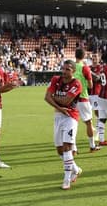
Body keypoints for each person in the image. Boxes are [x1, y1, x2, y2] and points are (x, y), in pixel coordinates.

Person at [44, 60, 82, 190]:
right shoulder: (56, 79)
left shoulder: (76, 84)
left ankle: (67, 180)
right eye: (63, 69)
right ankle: (75, 169)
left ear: (73, 71)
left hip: (71, 117)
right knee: (59, 150)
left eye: (68, 70)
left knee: (67, 147)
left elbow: (66, 101)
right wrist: (59, 108)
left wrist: (53, 97)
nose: (64, 72)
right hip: (59, 116)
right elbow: (46, 98)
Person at [74, 48, 100, 152]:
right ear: (84, 56)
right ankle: (92, 146)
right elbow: (90, 85)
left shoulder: (70, 67)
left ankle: (73, 148)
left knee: (72, 123)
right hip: (82, 98)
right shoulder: (85, 68)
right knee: (89, 123)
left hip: (71, 99)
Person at [89, 53, 102, 140]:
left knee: (98, 113)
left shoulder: (100, 67)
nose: (94, 58)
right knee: (87, 113)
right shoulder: (89, 67)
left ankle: (97, 132)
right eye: (93, 57)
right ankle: (92, 128)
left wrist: (90, 73)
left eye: (96, 57)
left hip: (97, 93)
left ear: (99, 58)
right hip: (88, 93)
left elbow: (98, 78)